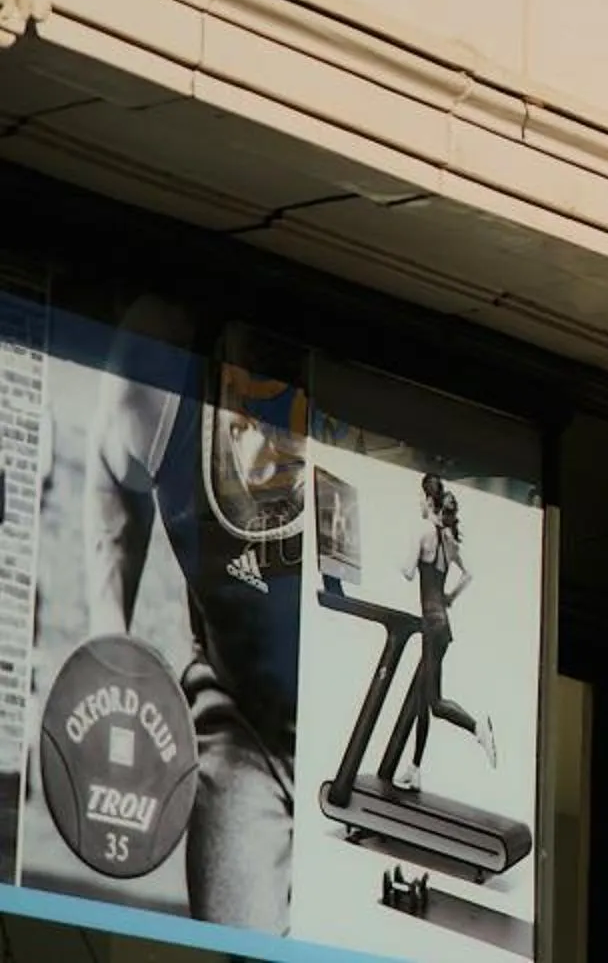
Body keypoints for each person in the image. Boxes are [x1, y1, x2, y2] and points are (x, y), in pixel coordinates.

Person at [82, 308, 306, 932]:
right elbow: (113, 478)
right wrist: (108, 646)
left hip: (359, 751)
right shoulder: (159, 361)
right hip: (246, 733)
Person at [399, 473, 497, 787]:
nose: (417, 502)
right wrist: (450, 597)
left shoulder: (425, 533)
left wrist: (408, 550)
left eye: (419, 497)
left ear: (429, 501)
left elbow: (406, 572)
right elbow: (468, 574)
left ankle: (477, 727)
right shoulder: (448, 540)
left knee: (435, 703)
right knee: (422, 700)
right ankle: (414, 770)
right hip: (441, 626)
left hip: (432, 626)